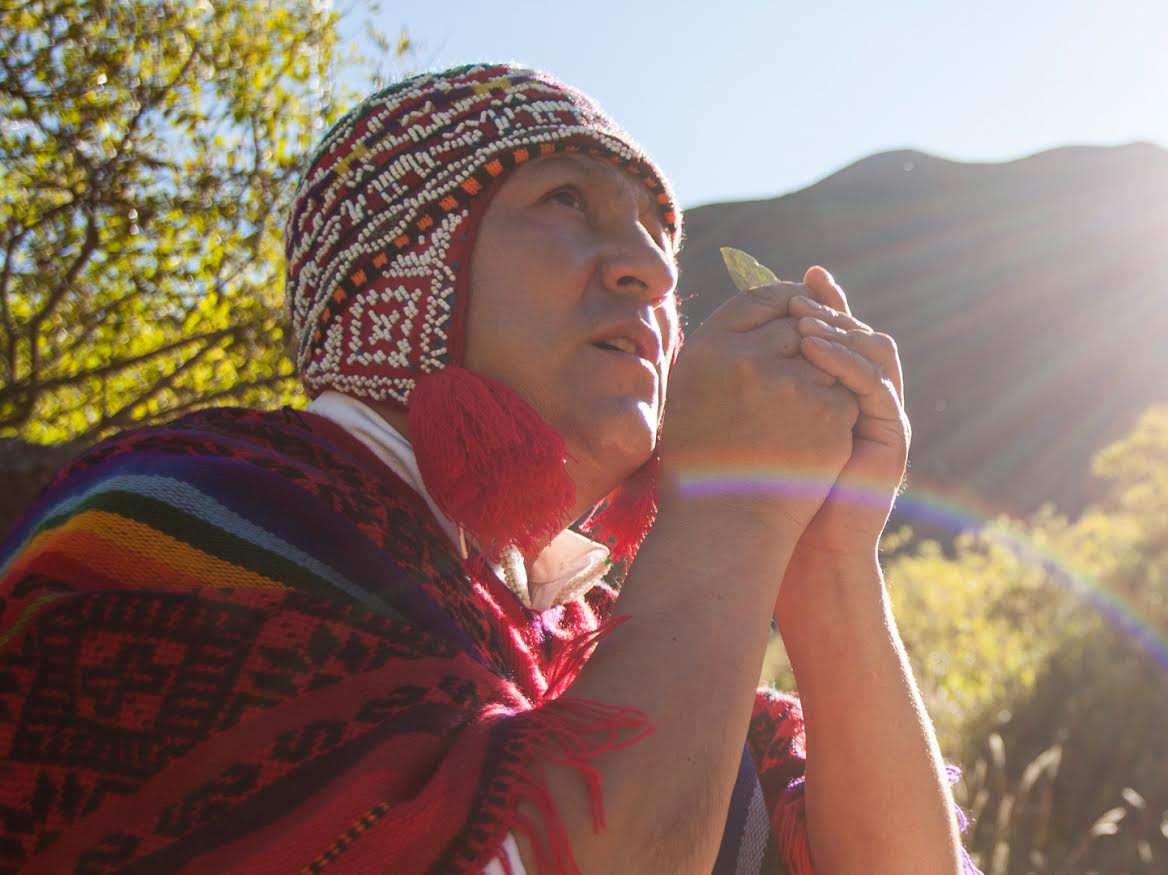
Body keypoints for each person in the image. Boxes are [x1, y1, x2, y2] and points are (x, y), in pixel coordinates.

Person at [0, 64, 973, 874]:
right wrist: (731, 519)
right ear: (410, 273)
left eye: (656, 234)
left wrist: (826, 557)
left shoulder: (578, 638)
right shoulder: (190, 517)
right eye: (566, 199)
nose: (654, 269)